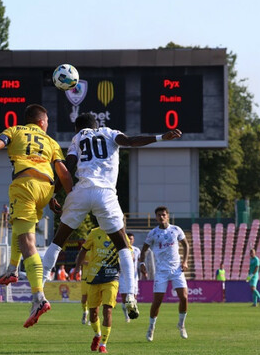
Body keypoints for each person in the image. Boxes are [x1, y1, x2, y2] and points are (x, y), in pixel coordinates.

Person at [41, 112, 183, 319]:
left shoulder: (78, 137)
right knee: (123, 246)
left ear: (77, 128)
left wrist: (53, 194)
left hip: (81, 191)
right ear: (96, 124)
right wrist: (161, 137)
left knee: (57, 241)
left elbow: (68, 168)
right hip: (105, 194)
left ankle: (38, 293)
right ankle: (130, 297)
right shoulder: (109, 132)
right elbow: (130, 141)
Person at [0, 104, 73, 328]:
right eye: (47, 121)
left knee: (27, 240)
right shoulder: (51, 142)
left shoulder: (15, 130)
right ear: (41, 122)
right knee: (19, 227)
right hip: (46, 188)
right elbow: (63, 172)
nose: (47, 124)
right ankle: (12, 270)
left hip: (25, 184)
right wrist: (70, 198)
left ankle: (38, 298)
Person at [140, 206, 190, 342]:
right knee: (157, 301)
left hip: (177, 270)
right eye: (158, 215)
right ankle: (151, 327)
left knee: (184, 297)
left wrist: (184, 262)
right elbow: (143, 250)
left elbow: (186, 245)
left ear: (167, 216)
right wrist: (141, 264)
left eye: (163, 214)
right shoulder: (153, 233)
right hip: (161, 271)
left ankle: (181, 324)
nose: (161, 217)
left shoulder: (176, 230)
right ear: (156, 217)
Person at [75, 226, 123, 353]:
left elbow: (128, 254)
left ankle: (103, 344)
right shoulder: (94, 233)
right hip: (94, 277)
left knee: (107, 310)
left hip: (111, 278)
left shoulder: (119, 233)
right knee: (93, 314)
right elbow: (83, 250)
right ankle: (97, 335)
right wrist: (77, 268)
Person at [119, 232, 141, 323]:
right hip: (123, 277)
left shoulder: (137, 250)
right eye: (128, 238)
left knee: (133, 297)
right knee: (124, 298)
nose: (130, 240)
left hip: (134, 277)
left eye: (131, 239)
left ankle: (133, 312)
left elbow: (139, 261)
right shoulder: (121, 250)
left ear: (133, 240)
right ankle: (127, 316)